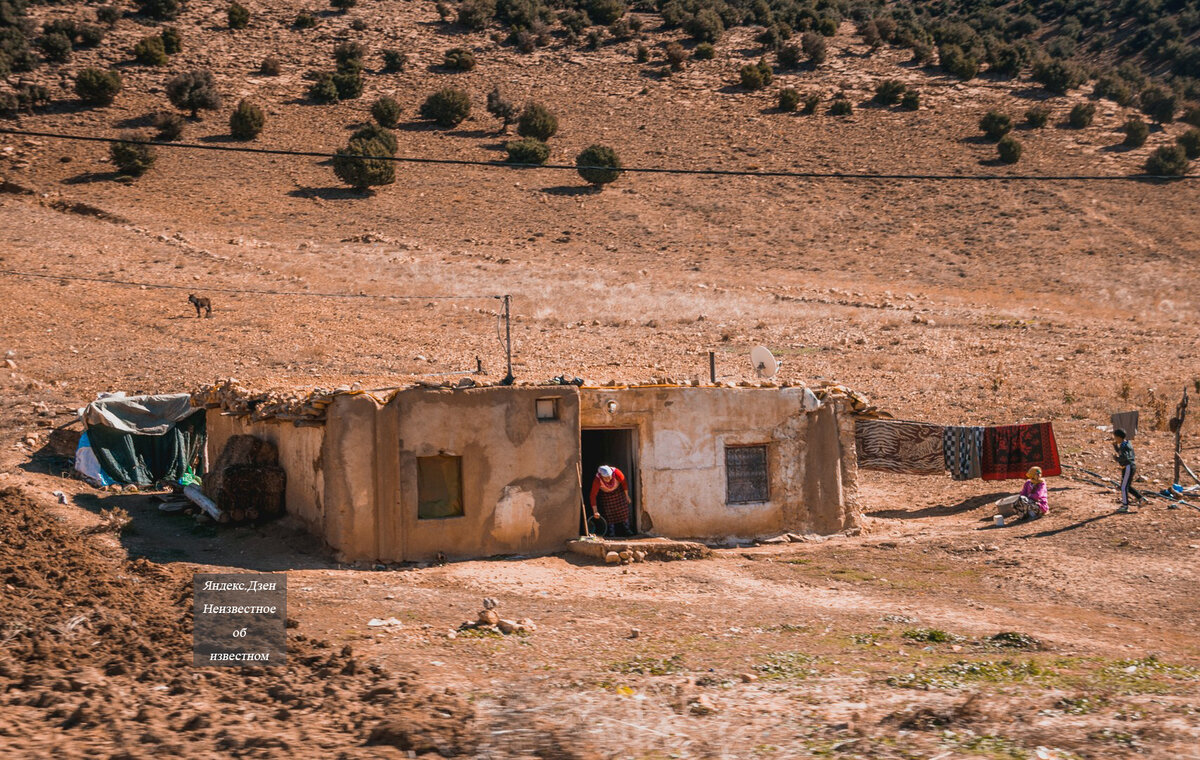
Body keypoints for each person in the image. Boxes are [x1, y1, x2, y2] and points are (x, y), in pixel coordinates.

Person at [590, 465, 631, 537]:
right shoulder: (597, 480)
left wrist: (627, 496)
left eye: (609, 476)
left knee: (624, 511)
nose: (608, 479)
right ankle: (612, 533)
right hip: (606, 495)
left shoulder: (617, 473)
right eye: (605, 478)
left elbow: (624, 483)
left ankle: (627, 529)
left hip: (618, 493)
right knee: (609, 514)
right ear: (601, 476)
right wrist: (595, 511)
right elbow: (593, 495)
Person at [1112, 428, 1144, 513]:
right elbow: (1123, 452)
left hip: (1128, 467)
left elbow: (1124, 456)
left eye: (1115, 437)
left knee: (1123, 487)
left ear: (1119, 437)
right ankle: (1141, 499)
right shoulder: (1127, 443)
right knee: (1127, 486)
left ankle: (1125, 506)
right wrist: (1116, 447)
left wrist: (1117, 459)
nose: (1115, 439)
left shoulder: (1123, 445)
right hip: (1130, 466)